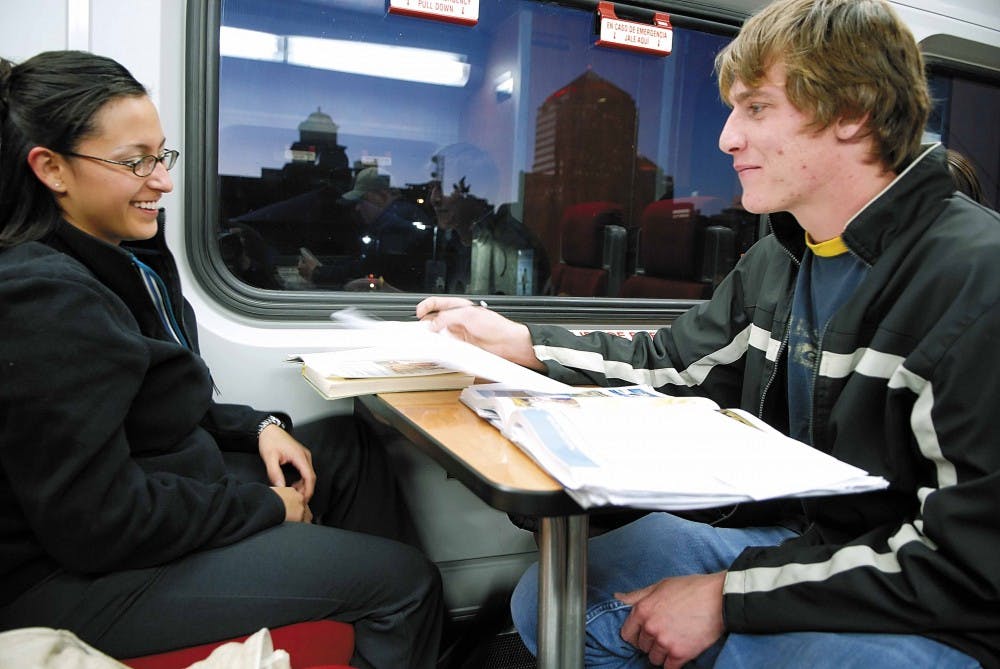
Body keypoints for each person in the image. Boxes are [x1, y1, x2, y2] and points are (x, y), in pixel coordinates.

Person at [416, 0, 1000, 666]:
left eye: (756, 108)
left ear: (852, 112)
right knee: (554, 596)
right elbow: (671, 362)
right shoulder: (784, 256)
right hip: (816, 539)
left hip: (941, 603)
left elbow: (968, 565)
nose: (726, 137)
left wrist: (729, 596)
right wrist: (524, 344)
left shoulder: (976, 279)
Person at [0, 51, 442, 669]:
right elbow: (99, 522)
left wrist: (260, 427)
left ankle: (347, 587)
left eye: (162, 155)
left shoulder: (125, 259)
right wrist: (267, 509)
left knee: (350, 447)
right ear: (51, 169)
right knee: (406, 582)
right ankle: (380, 600)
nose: (163, 181)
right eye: (135, 163)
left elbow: (168, 401)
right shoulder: (45, 298)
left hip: (155, 486)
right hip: (70, 581)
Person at [428, 143, 550, 295]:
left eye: (445, 187)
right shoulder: (456, 241)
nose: (434, 198)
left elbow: (514, 315)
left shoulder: (514, 248)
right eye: (432, 187)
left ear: (478, 190)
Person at [297, 165, 434, 291]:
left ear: (382, 195)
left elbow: (370, 267)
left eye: (362, 200)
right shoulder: (400, 217)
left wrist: (319, 274)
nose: (357, 208)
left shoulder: (395, 225)